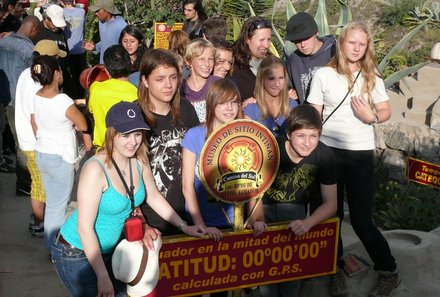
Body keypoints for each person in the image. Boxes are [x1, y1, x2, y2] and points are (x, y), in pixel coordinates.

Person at [51, 101, 204, 297]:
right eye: (125, 135)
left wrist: (184, 226)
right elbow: (84, 228)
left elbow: (154, 197)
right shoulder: (95, 169)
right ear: (112, 134)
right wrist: (102, 276)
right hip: (76, 253)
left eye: (138, 134)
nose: (133, 141)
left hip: (111, 250)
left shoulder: (140, 160)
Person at [307, 21, 399, 297]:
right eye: (352, 42)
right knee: (329, 216)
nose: (357, 48)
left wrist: (372, 117)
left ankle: (388, 269)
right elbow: (314, 114)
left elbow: (385, 110)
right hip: (327, 153)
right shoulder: (323, 74)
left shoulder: (373, 77)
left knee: (361, 220)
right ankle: (333, 268)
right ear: (341, 43)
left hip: (359, 154)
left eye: (362, 44)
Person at [182, 78, 265, 297]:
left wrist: (257, 220)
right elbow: (187, 186)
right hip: (205, 222)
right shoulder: (194, 135)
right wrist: (200, 225)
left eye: (234, 102)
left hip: (235, 224)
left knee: (227, 285)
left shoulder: (247, 134)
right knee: (199, 285)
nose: (229, 108)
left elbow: (255, 184)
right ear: (211, 104)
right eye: (223, 103)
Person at [259, 104, 337, 297]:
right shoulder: (270, 149)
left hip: (297, 214)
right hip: (264, 209)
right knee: (266, 278)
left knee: (292, 278)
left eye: (313, 136)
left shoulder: (325, 155)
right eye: (301, 136)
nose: (307, 143)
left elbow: (331, 203)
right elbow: (253, 193)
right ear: (288, 134)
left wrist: (308, 223)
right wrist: (257, 220)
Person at [138, 49, 200, 236]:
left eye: (173, 77)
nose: (168, 85)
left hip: (189, 214)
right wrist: (143, 224)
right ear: (145, 81)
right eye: (160, 79)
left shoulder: (186, 109)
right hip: (153, 222)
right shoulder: (136, 117)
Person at [30, 55, 87, 252]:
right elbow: (83, 124)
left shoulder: (37, 95)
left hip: (43, 153)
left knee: (54, 202)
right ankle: (53, 248)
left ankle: (52, 244)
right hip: (60, 156)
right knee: (57, 206)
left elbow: (35, 122)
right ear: (56, 74)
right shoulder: (62, 100)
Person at [15, 39, 67, 237]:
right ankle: (39, 222)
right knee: (39, 186)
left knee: (39, 183)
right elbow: (35, 117)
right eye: (55, 59)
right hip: (34, 141)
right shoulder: (37, 81)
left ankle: (37, 219)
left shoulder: (26, 74)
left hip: (27, 137)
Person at [0, 15, 40, 186]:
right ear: (33, 30)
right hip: (19, 101)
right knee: (23, 142)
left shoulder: (3, 42)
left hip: (4, 97)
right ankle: (24, 182)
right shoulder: (29, 49)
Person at [88, 44, 138, 148]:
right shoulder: (137, 93)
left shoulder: (95, 89)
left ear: (106, 69)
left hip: (104, 150)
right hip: (129, 149)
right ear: (131, 64)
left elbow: (91, 110)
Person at [285, 12, 336, 104]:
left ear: (316, 33)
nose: (302, 45)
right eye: (297, 41)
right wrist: (289, 92)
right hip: (308, 116)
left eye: (306, 38)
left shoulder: (335, 52)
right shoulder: (293, 61)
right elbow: (285, 87)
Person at [243, 55, 298, 136]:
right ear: (262, 79)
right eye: (271, 78)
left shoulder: (292, 105)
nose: (277, 84)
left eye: (281, 78)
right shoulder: (251, 110)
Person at [230, 16, 272, 102]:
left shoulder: (272, 63)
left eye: (268, 40)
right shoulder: (232, 66)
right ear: (247, 39)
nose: (266, 45)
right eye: (261, 40)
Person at [182, 38, 219, 123]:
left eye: (210, 59)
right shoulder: (181, 88)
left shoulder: (218, 84)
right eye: (201, 59)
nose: (207, 64)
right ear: (189, 61)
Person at [61, 0, 87, 99]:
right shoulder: (81, 12)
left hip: (67, 49)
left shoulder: (62, 12)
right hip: (80, 49)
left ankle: (73, 98)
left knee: (70, 77)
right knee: (80, 76)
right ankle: (82, 97)